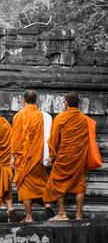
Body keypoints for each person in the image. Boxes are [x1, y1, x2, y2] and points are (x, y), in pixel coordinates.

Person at [43, 92, 90, 221]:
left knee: (57, 182)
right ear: (78, 104)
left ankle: (62, 214)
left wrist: (52, 154)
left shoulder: (60, 117)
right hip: (79, 157)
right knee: (80, 184)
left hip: (64, 156)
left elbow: (54, 138)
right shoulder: (85, 119)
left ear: (66, 103)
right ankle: (78, 215)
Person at [10, 90, 54, 222]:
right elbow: (50, 137)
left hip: (24, 158)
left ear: (23, 100)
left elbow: (15, 138)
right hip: (39, 157)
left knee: (24, 186)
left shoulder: (19, 116)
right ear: (36, 101)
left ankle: (29, 217)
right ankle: (47, 204)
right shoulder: (44, 116)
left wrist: (12, 156)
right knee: (41, 182)